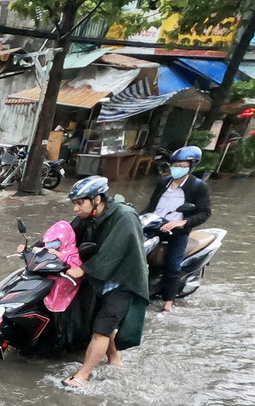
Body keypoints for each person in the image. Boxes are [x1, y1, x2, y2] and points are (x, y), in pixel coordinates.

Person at [61, 176, 149, 389]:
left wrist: (83, 269)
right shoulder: (88, 216)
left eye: (79, 202)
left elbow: (114, 252)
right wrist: (41, 247)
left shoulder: (124, 217)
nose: (75, 208)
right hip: (102, 278)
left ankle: (83, 375)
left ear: (97, 199)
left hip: (123, 279)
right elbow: (68, 235)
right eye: (74, 203)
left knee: (101, 329)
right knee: (106, 324)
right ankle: (115, 360)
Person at [141, 145, 211, 314]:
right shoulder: (164, 182)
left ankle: (168, 303)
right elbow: (151, 206)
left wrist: (183, 223)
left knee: (173, 266)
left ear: (191, 166)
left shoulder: (197, 186)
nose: (177, 169)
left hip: (177, 232)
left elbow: (205, 212)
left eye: (182, 166)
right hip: (155, 226)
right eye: (175, 165)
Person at [17, 220, 82, 313]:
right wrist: (25, 250)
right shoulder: (48, 248)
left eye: (57, 241)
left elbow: (76, 267)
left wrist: (60, 255)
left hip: (64, 290)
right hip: (48, 286)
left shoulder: (72, 252)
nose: (53, 243)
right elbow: (37, 252)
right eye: (51, 241)